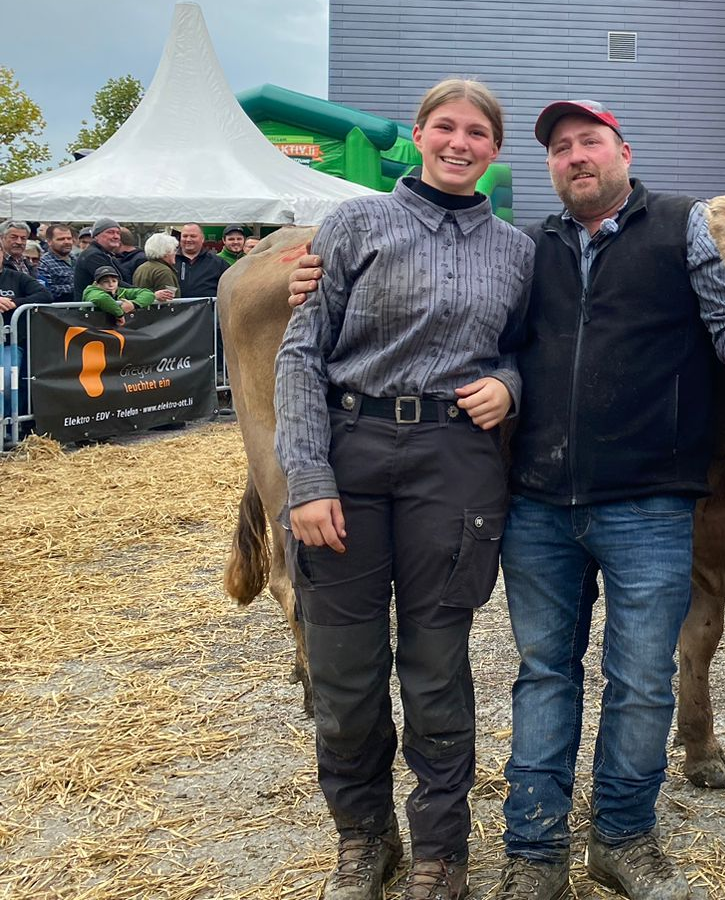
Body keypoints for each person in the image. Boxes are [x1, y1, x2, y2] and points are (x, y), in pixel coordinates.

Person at [288, 97, 725, 900]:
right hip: (538, 503)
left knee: (640, 681)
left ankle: (624, 839)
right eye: (559, 147)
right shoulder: (527, 248)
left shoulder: (682, 225)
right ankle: (533, 850)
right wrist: (318, 287)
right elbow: (495, 346)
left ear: (623, 151)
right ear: (545, 166)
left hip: (652, 500)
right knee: (544, 675)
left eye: (590, 141)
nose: (576, 157)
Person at [274, 79, 544, 900]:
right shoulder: (357, 223)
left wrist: (509, 386)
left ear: (496, 151)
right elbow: (300, 354)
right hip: (352, 454)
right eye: (445, 128)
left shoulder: (517, 249)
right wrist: (308, 478)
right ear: (419, 136)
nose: (460, 143)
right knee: (347, 668)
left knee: (437, 666)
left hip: (452, 460)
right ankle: (364, 838)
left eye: (477, 133)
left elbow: (522, 348)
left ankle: (440, 851)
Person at [0, 258, 48, 420]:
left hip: (9, 343)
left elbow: (45, 295)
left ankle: (6, 425)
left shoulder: (17, 277)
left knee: (7, 382)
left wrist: (15, 303)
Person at [71, 218, 125, 302]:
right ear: (96, 236)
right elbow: (114, 282)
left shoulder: (108, 255)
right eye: (110, 232)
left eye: (118, 233)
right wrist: (142, 293)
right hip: (92, 311)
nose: (116, 236)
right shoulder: (93, 256)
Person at [83, 265, 156, 325]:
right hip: (93, 329)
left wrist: (133, 304)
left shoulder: (122, 291)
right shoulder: (91, 291)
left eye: (114, 281)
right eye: (105, 281)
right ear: (96, 284)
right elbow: (101, 298)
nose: (111, 284)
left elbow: (148, 293)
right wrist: (120, 314)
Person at [175, 223, 229, 298]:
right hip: (175, 308)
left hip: (208, 309)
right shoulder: (170, 261)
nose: (188, 239)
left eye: (193, 236)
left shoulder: (218, 263)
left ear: (202, 239)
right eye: (185, 236)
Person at [132, 233, 182, 299]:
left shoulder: (141, 268)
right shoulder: (163, 271)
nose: (175, 253)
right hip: (158, 309)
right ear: (166, 252)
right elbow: (168, 300)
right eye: (174, 250)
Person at [37, 224, 77, 300]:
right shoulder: (43, 263)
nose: (67, 242)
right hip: (57, 309)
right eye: (61, 239)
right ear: (49, 241)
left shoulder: (76, 259)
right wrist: (77, 287)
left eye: (69, 238)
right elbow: (47, 290)